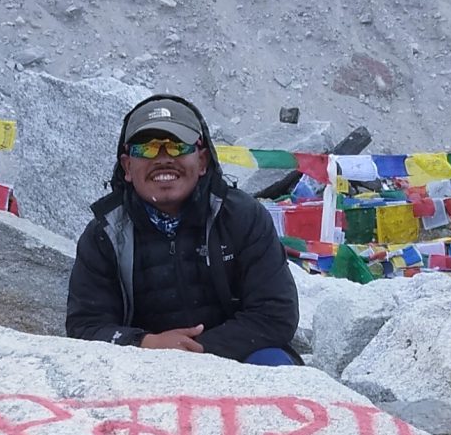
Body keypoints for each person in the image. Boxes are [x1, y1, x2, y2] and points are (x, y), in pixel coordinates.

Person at [64, 94, 300, 363]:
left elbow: (276, 315)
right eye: (147, 149)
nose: (163, 159)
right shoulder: (104, 234)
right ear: (127, 167)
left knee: (272, 362)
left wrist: (191, 351)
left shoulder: (242, 217)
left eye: (177, 147)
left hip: (234, 355)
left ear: (202, 161)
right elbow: (85, 327)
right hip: (140, 364)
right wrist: (145, 343)